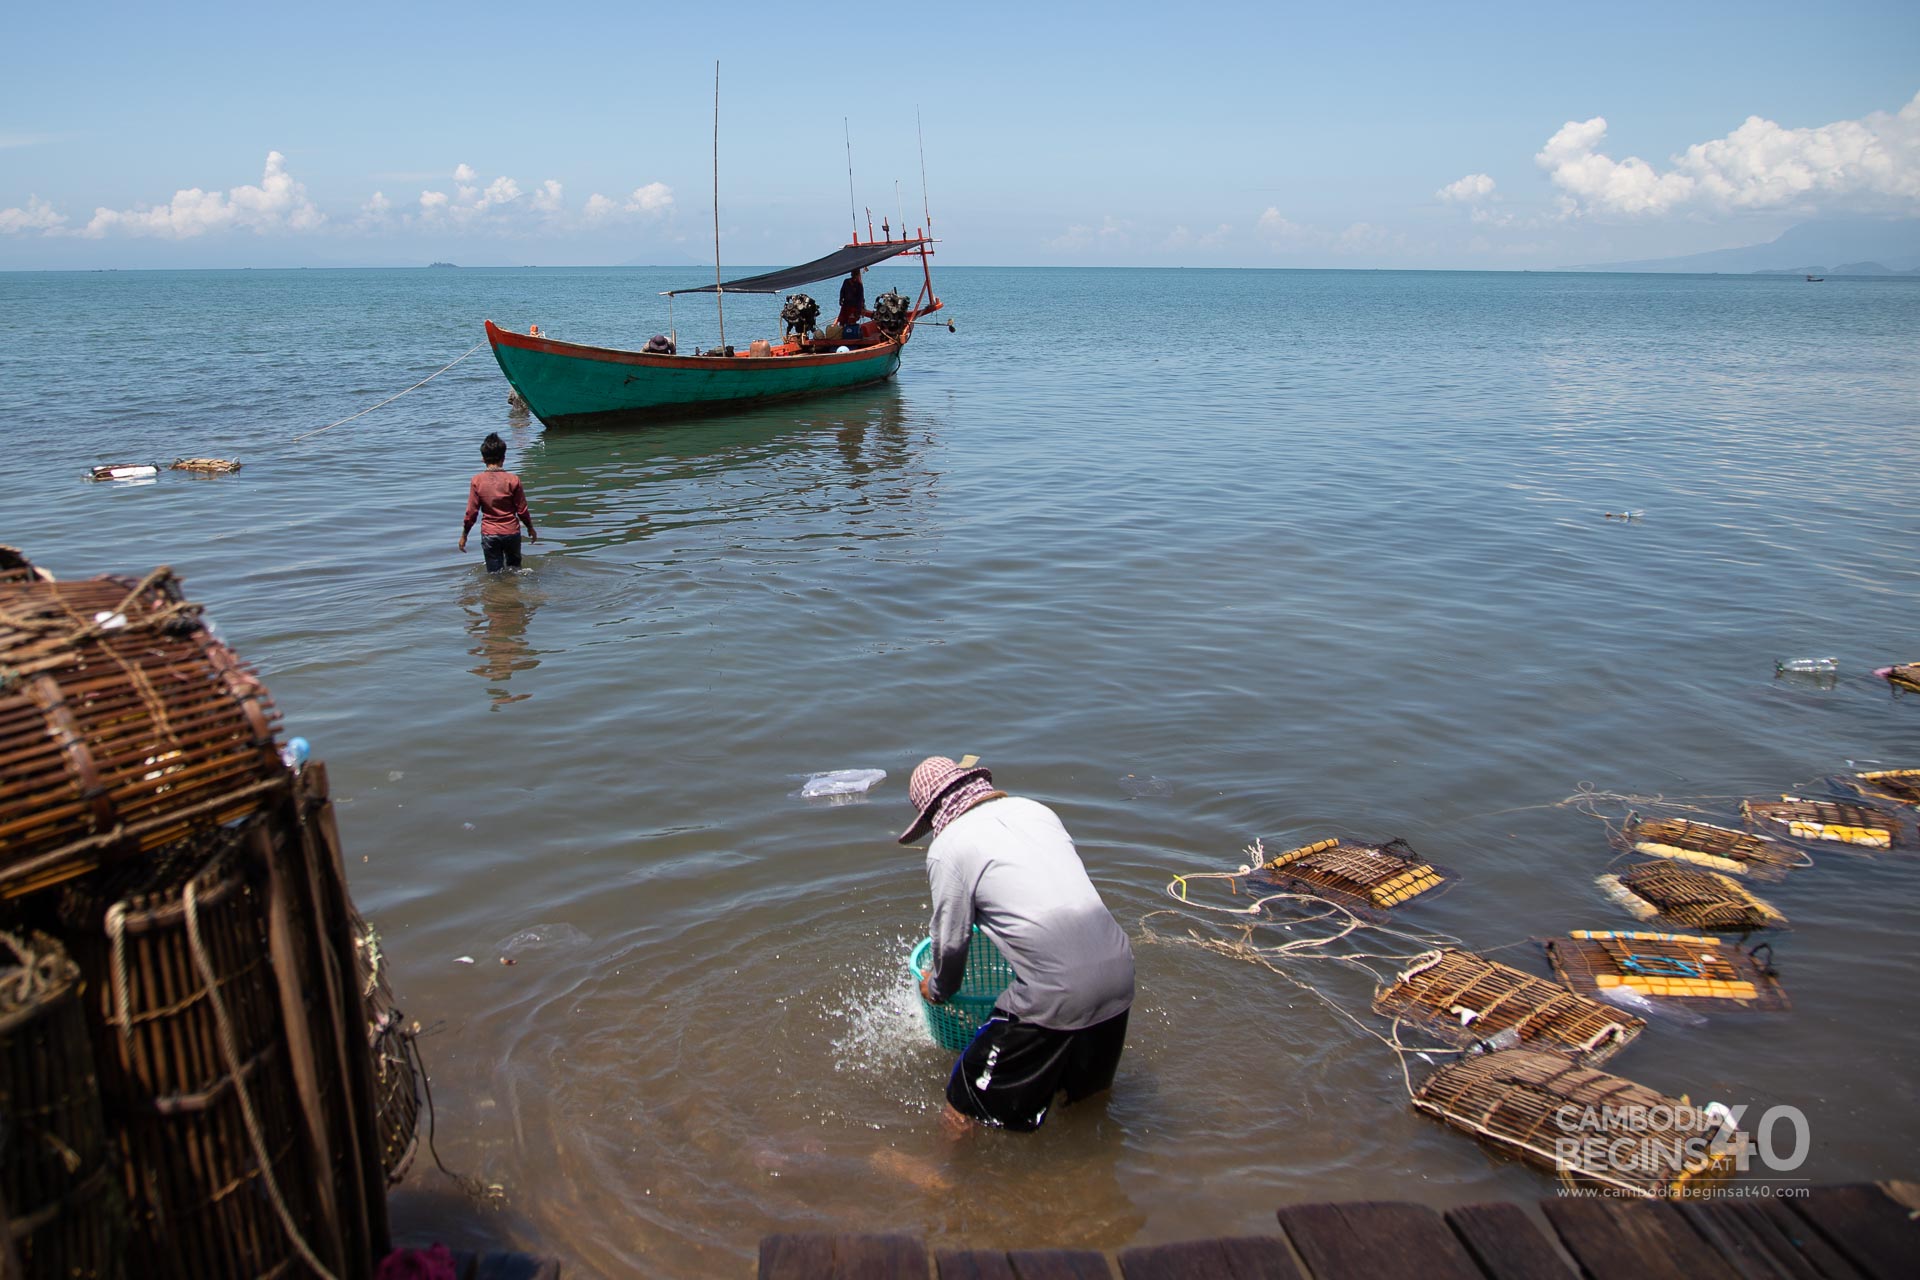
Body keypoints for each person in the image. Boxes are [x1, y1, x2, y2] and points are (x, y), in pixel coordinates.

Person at [901, 756, 1135, 1133]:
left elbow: (951, 941)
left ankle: (942, 1183)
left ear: (933, 814)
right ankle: (1094, 1174)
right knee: (1085, 1102)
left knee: (963, 1101)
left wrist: (937, 988)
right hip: (1120, 973)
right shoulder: (1037, 811)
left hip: (1056, 991)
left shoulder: (948, 848)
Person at [458, 432, 538, 572]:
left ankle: (496, 593)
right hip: (511, 532)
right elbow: (522, 510)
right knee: (515, 571)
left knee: (494, 575)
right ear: (504, 458)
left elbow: (471, 513)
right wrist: (530, 528)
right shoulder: (513, 480)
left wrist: (464, 535)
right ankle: (515, 593)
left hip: (490, 534)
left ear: (483, 459)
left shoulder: (477, 481)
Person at [836, 268, 872, 332]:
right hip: (849, 305)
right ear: (858, 274)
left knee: (845, 321)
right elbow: (860, 298)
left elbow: (842, 292)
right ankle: (847, 333)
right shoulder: (854, 283)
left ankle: (845, 333)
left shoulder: (851, 282)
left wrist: (841, 299)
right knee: (848, 321)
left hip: (849, 305)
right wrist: (860, 307)